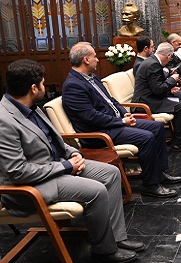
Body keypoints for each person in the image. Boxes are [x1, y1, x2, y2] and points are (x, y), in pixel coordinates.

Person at [0, 60, 145, 262]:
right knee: (96, 191)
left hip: (56, 166)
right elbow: (17, 171)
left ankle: (116, 237)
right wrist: (66, 166)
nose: (45, 87)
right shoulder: (4, 120)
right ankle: (104, 250)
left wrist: (71, 154)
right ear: (33, 88)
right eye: (42, 84)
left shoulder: (30, 106)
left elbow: (54, 139)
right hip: (32, 185)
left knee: (111, 173)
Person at [62, 42, 181, 198]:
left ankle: (159, 172)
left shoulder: (91, 77)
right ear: (86, 59)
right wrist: (120, 122)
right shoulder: (73, 85)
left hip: (113, 124)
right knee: (147, 138)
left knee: (156, 127)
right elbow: (91, 117)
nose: (97, 60)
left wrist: (123, 114)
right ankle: (151, 184)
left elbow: (110, 100)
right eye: (94, 57)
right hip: (98, 133)